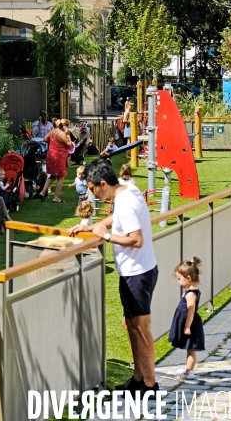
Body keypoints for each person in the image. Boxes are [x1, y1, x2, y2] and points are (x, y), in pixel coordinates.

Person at [69, 158, 159, 398]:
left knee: (141, 330)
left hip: (137, 274)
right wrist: (94, 226)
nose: (91, 193)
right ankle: (139, 378)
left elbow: (135, 239)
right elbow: (117, 218)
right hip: (136, 271)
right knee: (130, 324)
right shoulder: (127, 190)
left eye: (91, 189)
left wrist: (106, 236)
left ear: (102, 184)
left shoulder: (126, 202)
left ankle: (150, 386)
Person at [168, 257, 205, 381]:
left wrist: (187, 326)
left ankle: (189, 371)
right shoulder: (191, 290)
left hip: (190, 323)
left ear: (188, 278)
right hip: (188, 321)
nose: (178, 282)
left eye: (179, 279)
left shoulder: (191, 294)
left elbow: (191, 309)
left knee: (191, 348)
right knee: (190, 348)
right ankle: (188, 369)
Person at [38, 120, 72, 203]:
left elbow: (45, 139)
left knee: (52, 175)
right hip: (59, 156)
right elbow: (69, 144)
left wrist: (53, 143)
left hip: (51, 155)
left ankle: (42, 193)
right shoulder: (62, 134)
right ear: (65, 126)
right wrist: (68, 135)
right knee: (61, 177)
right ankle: (56, 197)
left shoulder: (52, 131)